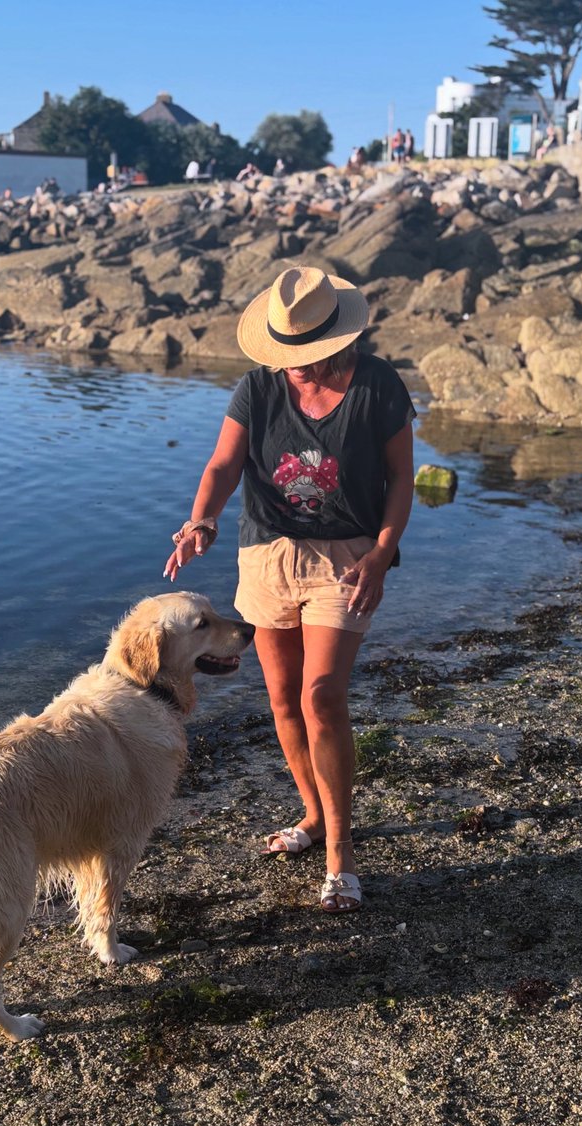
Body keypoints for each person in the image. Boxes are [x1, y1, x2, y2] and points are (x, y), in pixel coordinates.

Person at [164, 267, 415, 913]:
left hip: (348, 559)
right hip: (269, 553)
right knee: (281, 700)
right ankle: (312, 814)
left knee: (323, 696)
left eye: (306, 358)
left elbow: (401, 481)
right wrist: (202, 519)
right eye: (288, 357)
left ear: (338, 342)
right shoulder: (257, 388)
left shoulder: (379, 387)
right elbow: (223, 464)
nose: (295, 368)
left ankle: (341, 850)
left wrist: (383, 556)